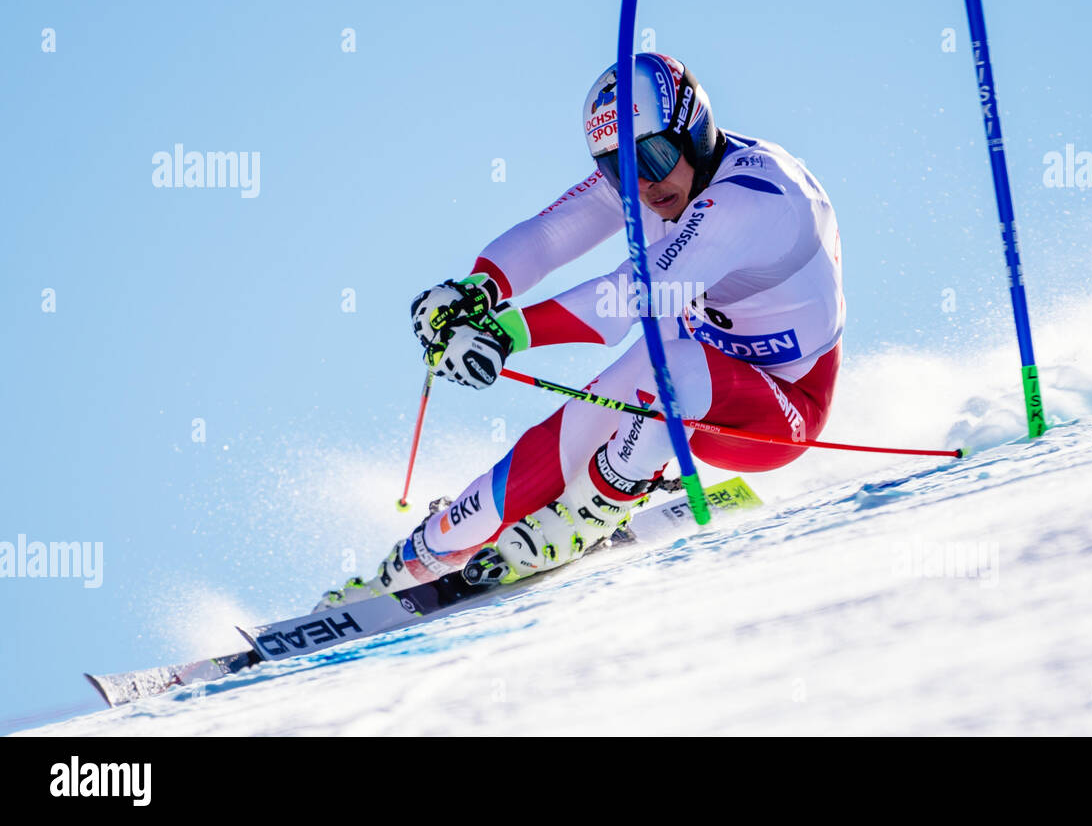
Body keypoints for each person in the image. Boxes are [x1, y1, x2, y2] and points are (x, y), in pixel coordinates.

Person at [316, 52, 844, 609]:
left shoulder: (758, 196)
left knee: (674, 366)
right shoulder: (659, 171)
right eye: (619, 169)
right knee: (576, 427)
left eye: (654, 156)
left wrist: (504, 333)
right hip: (683, 376)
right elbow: (551, 235)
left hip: (779, 410)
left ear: (697, 130)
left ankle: (587, 512)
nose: (642, 183)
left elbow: (627, 300)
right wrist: (476, 292)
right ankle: (411, 565)